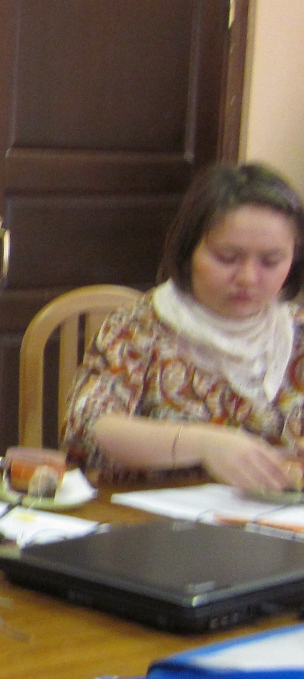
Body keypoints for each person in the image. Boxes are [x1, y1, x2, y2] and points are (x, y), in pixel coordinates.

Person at [63, 161, 304, 489]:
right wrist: (204, 444)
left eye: (271, 261)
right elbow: (88, 427)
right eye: (227, 257)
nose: (248, 277)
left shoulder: (296, 333)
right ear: (189, 251)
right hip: (148, 514)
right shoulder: (139, 327)